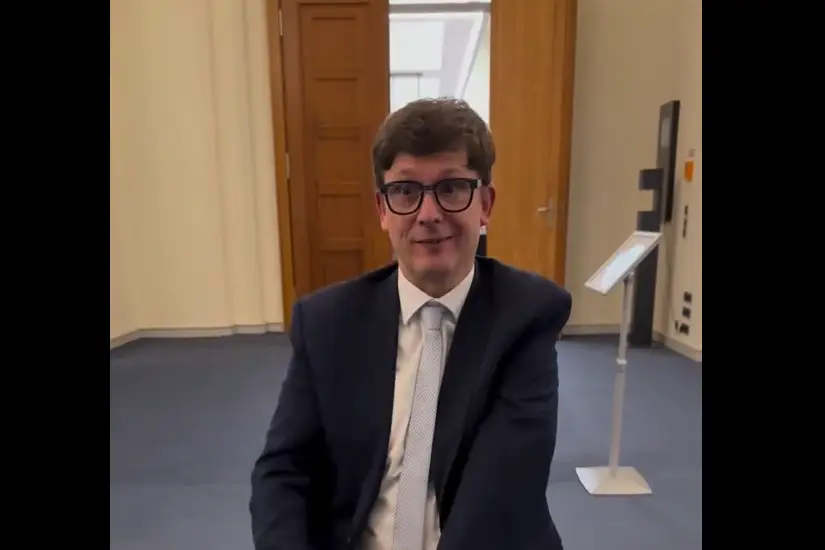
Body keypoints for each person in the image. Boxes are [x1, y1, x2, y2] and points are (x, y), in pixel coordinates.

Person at [250, 98, 572, 550]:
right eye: (405, 191)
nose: (428, 213)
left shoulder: (527, 315)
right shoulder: (328, 322)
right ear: (382, 209)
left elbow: (502, 490)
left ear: (485, 204)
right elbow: (283, 472)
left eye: (452, 188)